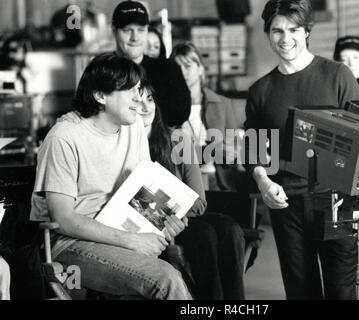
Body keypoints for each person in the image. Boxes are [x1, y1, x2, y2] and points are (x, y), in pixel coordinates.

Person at [29, 53, 191, 300]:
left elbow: (143, 192)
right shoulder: (64, 137)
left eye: (139, 89)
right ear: (100, 95)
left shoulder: (133, 126)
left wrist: (165, 220)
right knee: (165, 279)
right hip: (71, 243)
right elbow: (62, 218)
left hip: (120, 233)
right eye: (130, 90)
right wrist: (131, 241)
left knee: (183, 264)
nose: (139, 98)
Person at [245, 0, 359, 300]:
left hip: (336, 203)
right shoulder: (261, 91)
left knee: (342, 291)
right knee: (300, 291)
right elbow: (254, 148)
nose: (285, 38)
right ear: (268, 33)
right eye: (277, 31)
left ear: (307, 30)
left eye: (293, 29)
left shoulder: (337, 76)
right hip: (287, 205)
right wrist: (263, 181)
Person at [140, 84, 246, 300]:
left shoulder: (178, 139)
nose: (145, 107)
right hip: (154, 228)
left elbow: (198, 203)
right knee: (205, 235)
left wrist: (168, 206)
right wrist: (174, 206)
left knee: (230, 228)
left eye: (149, 99)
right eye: (137, 101)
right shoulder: (126, 145)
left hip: (185, 218)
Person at [170, 42, 244, 191]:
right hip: (182, 182)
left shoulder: (223, 103)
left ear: (200, 69)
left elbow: (235, 150)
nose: (183, 72)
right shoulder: (167, 108)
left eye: (188, 66)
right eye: (177, 68)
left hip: (219, 181)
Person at [112, 0, 191, 127]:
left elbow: (181, 113)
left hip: (158, 145)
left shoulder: (168, 68)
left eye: (141, 30)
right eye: (127, 30)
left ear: (147, 30)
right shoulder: (101, 70)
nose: (135, 37)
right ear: (114, 31)